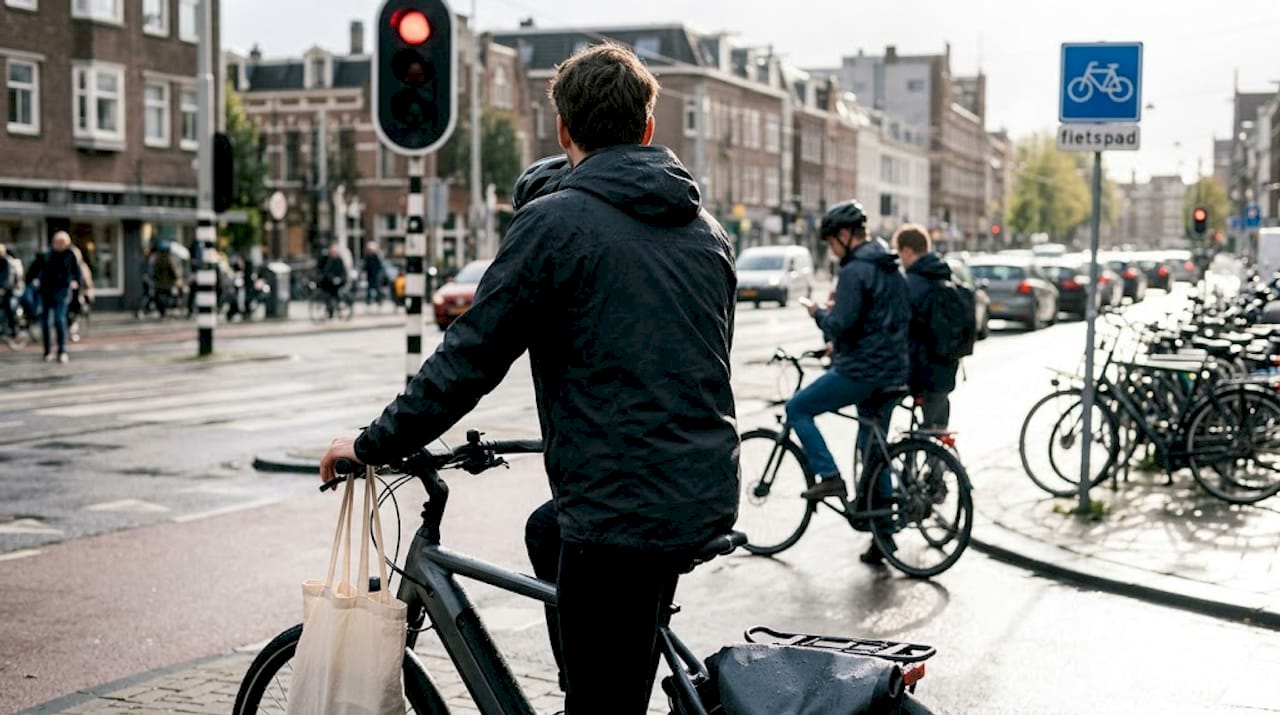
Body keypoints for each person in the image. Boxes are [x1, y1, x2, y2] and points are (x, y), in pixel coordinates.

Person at [319, 42, 739, 715]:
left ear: (563, 130)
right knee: (549, 530)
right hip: (703, 490)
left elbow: (470, 357)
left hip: (620, 513)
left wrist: (371, 444)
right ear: (650, 127)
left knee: (603, 698)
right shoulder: (708, 231)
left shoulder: (553, 223)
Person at [788, 201, 909, 562]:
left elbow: (842, 325)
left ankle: (828, 475)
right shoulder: (890, 267)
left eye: (831, 242)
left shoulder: (856, 271)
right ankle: (883, 538)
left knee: (797, 408)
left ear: (845, 235)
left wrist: (819, 313)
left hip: (863, 371)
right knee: (874, 450)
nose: (831, 249)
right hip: (893, 372)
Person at [894, 225, 960, 430]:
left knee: (875, 409)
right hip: (946, 370)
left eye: (899, 253)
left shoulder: (909, 283)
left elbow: (895, 325)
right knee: (936, 431)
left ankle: (884, 459)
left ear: (906, 251)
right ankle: (941, 459)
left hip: (915, 371)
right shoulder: (946, 277)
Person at [26, 231, 83, 362]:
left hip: (61, 291)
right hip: (46, 291)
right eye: (59, 242)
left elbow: (77, 272)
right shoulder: (46, 254)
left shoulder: (70, 255)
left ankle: (61, 350)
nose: (61, 245)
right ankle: (47, 351)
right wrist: (35, 281)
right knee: (45, 322)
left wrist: (76, 282)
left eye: (64, 243)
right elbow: (33, 270)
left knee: (59, 319)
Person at [318, 243, 347, 317]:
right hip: (327, 281)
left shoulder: (339, 260)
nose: (333, 253)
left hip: (337, 281)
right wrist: (329, 277)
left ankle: (339, 308)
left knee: (338, 293)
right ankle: (330, 311)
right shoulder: (326, 259)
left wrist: (340, 278)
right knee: (328, 296)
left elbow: (343, 271)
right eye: (332, 251)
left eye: (335, 251)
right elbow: (323, 270)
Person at [362, 241, 387, 305]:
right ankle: (368, 300)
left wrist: (379, 275)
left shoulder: (376, 257)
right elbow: (365, 266)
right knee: (369, 288)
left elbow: (379, 266)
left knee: (377, 288)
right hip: (370, 275)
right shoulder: (367, 257)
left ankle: (379, 300)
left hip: (376, 275)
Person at [0, 243, 16, 338]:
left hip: (8, 289)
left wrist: (2, 287)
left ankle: (12, 329)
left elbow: (7, 277)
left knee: (7, 308)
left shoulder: (7, 261)